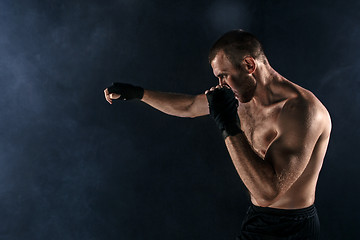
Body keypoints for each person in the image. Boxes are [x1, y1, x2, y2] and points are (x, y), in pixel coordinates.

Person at [103, 30, 331, 240]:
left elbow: (268, 192)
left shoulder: (302, 111)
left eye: (224, 75)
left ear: (249, 64)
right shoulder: (243, 98)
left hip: (294, 228)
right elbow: (190, 106)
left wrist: (227, 124)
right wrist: (138, 94)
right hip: (257, 220)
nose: (221, 84)